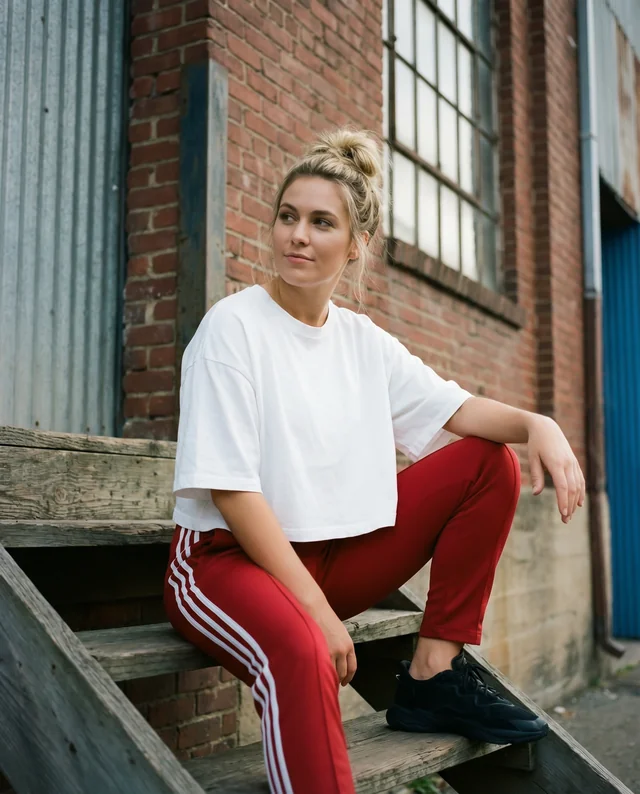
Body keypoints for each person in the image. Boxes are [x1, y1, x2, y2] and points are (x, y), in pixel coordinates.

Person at [163, 126, 585, 794]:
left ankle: (433, 672)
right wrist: (318, 615)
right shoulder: (232, 329)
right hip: (225, 561)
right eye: (288, 216)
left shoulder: (363, 342)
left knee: (489, 462)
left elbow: (460, 411)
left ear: (357, 245)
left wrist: (540, 425)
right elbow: (235, 494)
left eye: (322, 222)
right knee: (300, 650)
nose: (298, 235)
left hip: (332, 558)